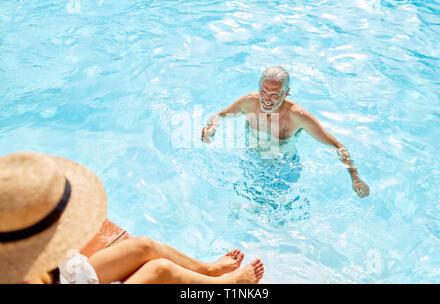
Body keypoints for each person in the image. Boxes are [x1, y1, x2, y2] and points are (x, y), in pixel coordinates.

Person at [0, 152, 264, 284]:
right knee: (161, 269)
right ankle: (230, 283)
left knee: (145, 246)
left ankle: (208, 270)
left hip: (65, 273)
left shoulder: (16, 243)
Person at [201, 66, 369, 198]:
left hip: (283, 169)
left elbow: (337, 146)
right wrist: (212, 128)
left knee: (276, 217)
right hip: (251, 160)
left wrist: (355, 177)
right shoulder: (249, 102)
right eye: (263, 92)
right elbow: (220, 115)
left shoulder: (298, 116)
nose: (266, 100)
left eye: (274, 95)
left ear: (286, 93)